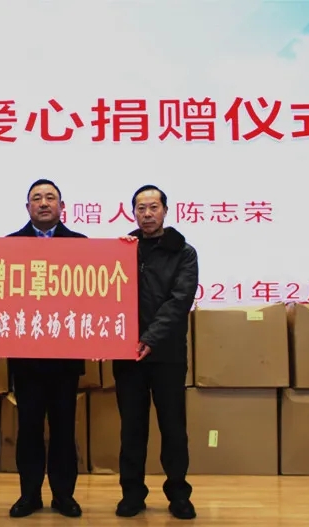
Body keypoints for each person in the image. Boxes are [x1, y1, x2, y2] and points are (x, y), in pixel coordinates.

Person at [113, 184, 198, 520]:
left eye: (153, 207)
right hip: (128, 354)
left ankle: (179, 494)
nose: (147, 214)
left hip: (167, 354)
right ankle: (132, 494)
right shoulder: (123, 249)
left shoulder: (184, 252)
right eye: (140, 208)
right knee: (132, 429)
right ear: (133, 212)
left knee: (173, 428)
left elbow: (179, 301)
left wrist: (149, 338)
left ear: (165, 210)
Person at [6, 179, 86, 518]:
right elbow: (0, 301)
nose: (43, 203)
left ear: (61, 206)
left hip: (65, 360)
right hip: (26, 361)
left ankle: (64, 495)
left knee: (64, 429)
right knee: (29, 429)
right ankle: (29, 495)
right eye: (36, 198)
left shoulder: (82, 245)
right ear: (27, 207)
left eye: (50, 198)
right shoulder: (9, 246)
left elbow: (92, 300)